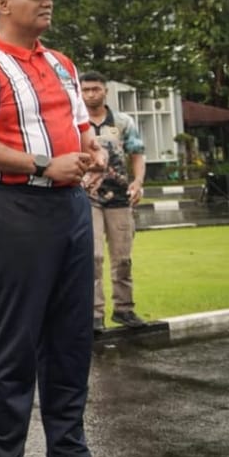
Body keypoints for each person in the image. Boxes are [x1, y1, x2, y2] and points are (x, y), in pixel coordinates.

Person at [0, 0, 127, 457]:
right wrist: (44, 163)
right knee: (14, 339)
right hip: (13, 207)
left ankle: (67, 455)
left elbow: (76, 127)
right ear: (3, 4)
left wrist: (89, 148)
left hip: (69, 207)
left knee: (71, 337)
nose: (47, 0)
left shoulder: (62, 64)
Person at [79, 71, 146, 331]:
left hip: (119, 198)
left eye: (95, 89)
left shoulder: (123, 121)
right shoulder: (77, 122)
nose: (90, 94)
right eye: (85, 90)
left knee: (122, 258)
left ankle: (124, 309)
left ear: (105, 90)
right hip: (88, 197)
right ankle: (95, 314)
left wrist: (138, 182)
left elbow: (137, 153)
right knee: (93, 257)